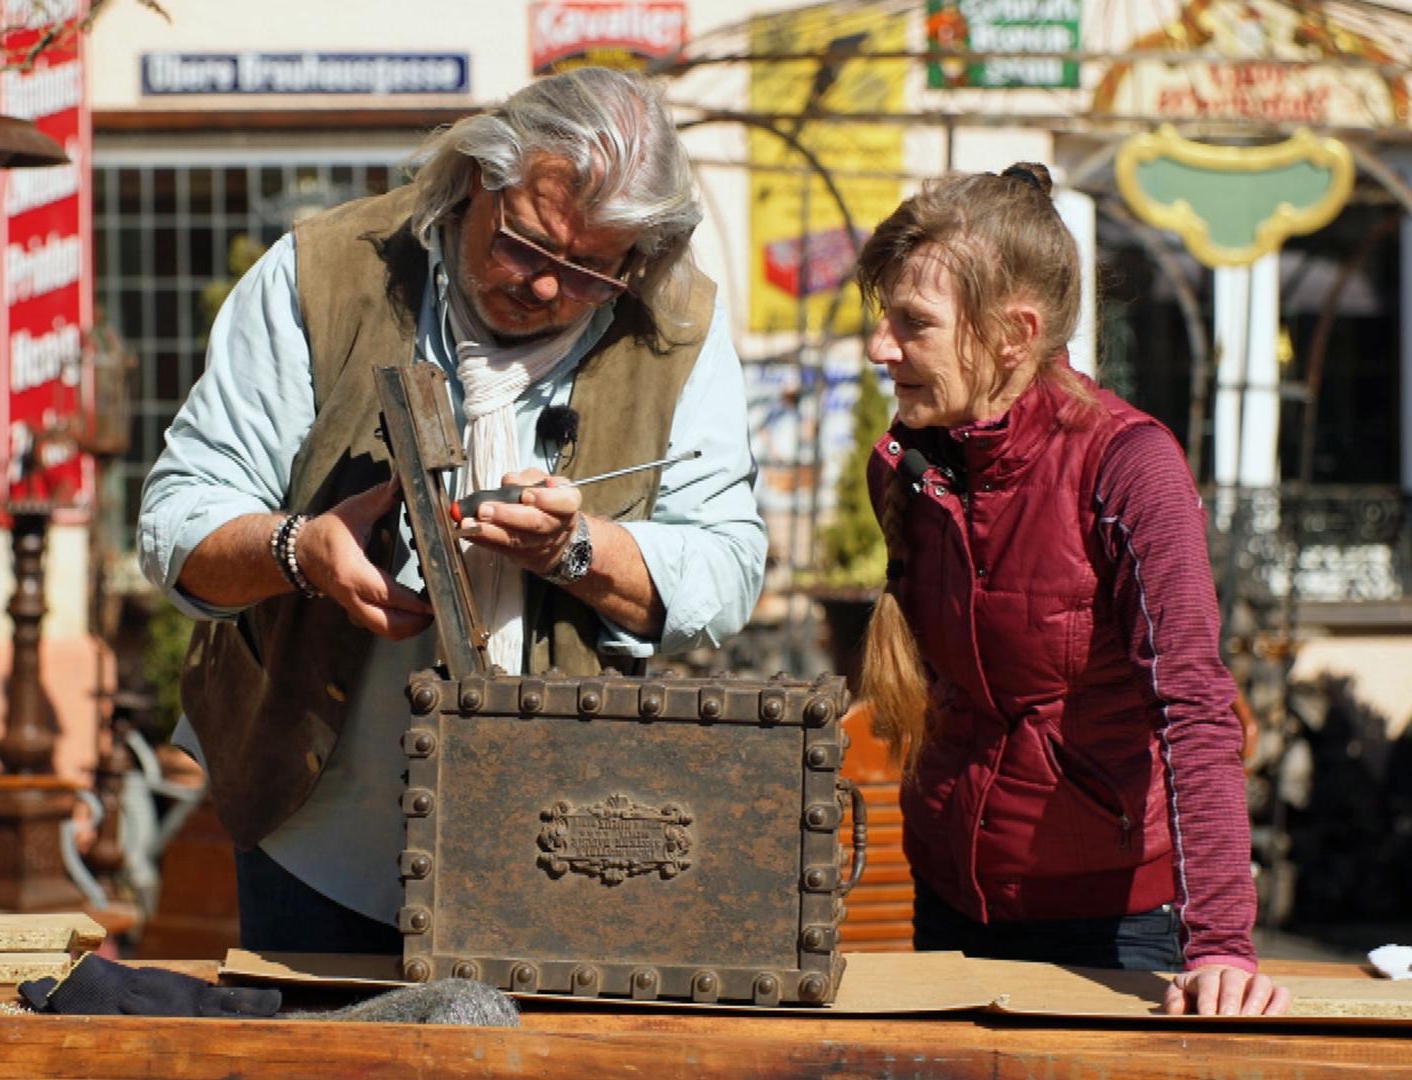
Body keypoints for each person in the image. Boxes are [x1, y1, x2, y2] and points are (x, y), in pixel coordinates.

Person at [137, 67, 767, 954]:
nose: (545, 289)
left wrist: (579, 550)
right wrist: (300, 550)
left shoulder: (676, 323)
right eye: (526, 247)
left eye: (590, 272)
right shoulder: (325, 271)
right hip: (316, 833)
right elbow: (176, 520)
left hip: (568, 843)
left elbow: (728, 568)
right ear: (475, 180)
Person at [854, 162, 1289, 1016]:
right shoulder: (908, 468)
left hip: (1113, 927)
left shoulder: (1128, 467)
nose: (880, 347)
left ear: (1013, 334)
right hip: (949, 898)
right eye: (883, 317)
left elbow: (1194, 705)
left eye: (914, 323)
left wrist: (1221, 947)